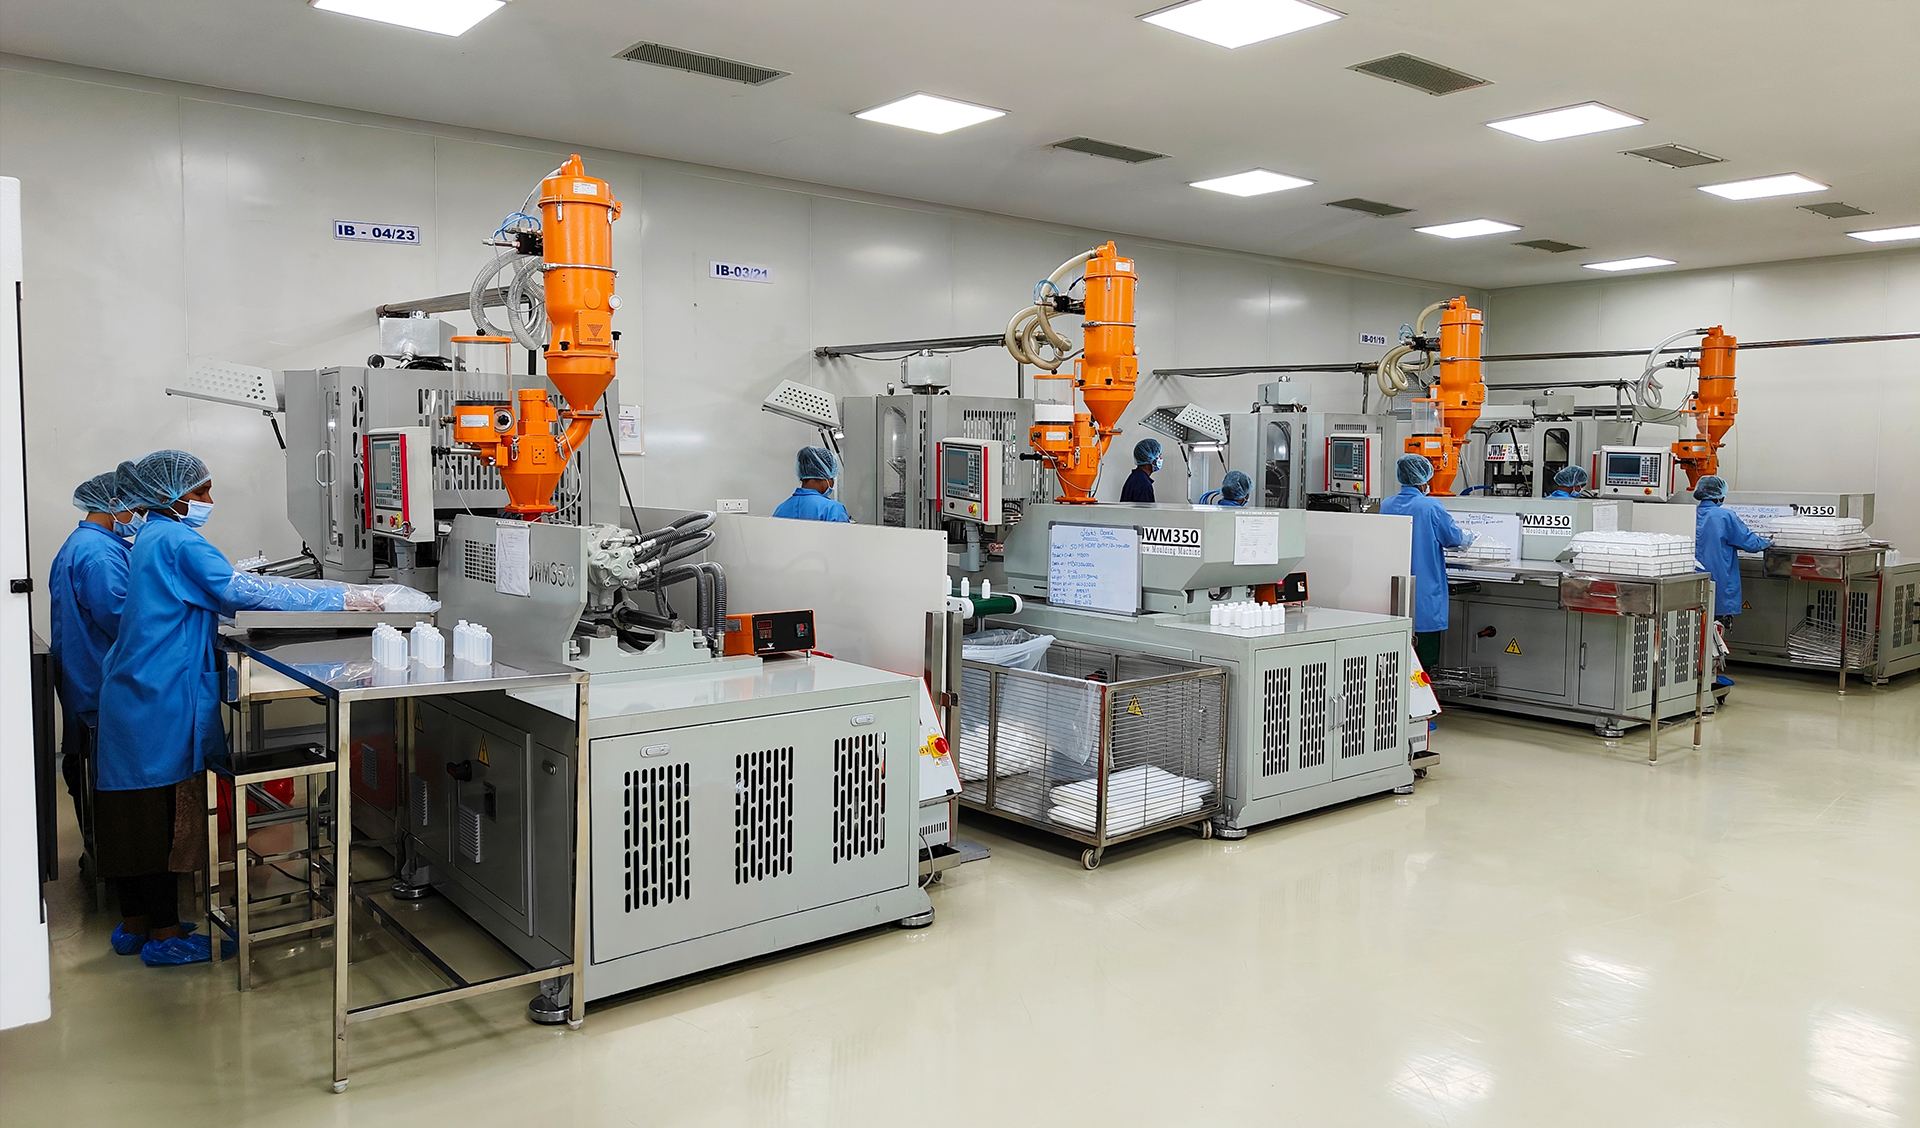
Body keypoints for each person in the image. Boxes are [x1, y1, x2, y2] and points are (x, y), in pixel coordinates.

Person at [47, 468, 143, 841]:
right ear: (114, 503)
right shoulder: (100, 554)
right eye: (136, 506)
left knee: (85, 762)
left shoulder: (81, 543)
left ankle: (97, 847)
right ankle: (108, 852)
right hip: (97, 678)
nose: (139, 515)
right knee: (102, 773)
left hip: (82, 673)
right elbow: (120, 618)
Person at [1381, 453, 1472, 677]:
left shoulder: (1386, 504)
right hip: (1423, 597)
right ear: (1424, 479)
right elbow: (1453, 538)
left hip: (1392, 595)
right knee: (1423, 667)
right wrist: (1471, 538)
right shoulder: (1430, 506)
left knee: (1394, 665)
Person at [1693, 474, 1771, 689]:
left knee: (1692, 630)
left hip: (1690, 582)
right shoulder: (1725, 516)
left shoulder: (1689, 513)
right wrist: (1769, 541)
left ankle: (1691, 677)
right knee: (1714, 632)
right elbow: (1750, 543)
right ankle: (1710, 678)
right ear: (1720, 495)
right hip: (1718, 582)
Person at [771, 446, 851, 523]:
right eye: (832, 477)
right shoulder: (832, 509)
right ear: (824, 475)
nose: (832, 483)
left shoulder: (781, 509)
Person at [1120, 439, 1161, 503]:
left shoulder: (1136, 477)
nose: (1160, 459)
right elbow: (1145, 509)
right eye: (1159, 457)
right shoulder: (1143, 484)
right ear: (1151, 460)